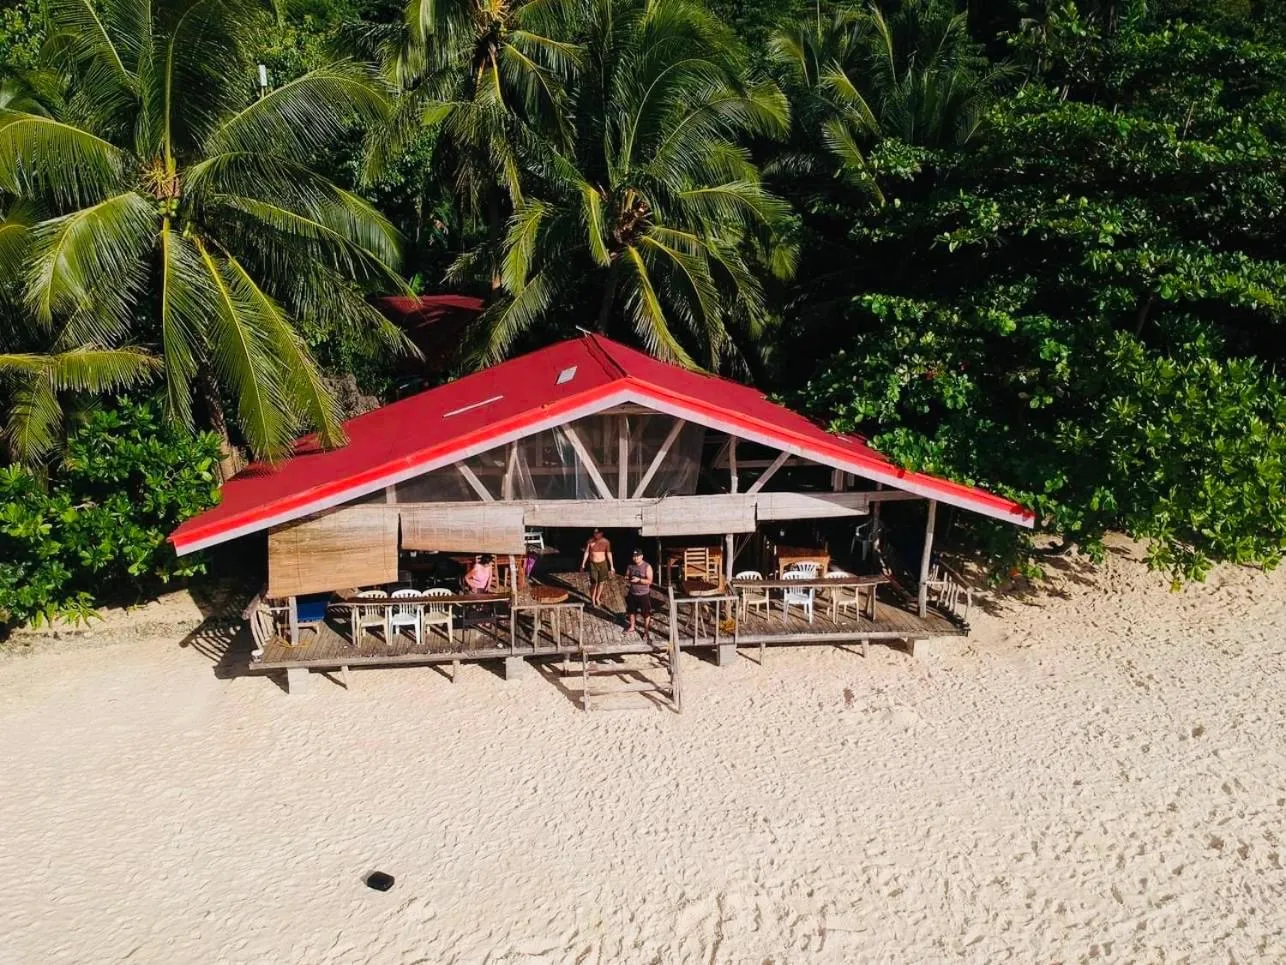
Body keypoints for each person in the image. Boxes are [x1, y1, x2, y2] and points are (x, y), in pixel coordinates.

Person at [624, 548, 654, 639]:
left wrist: (639, 580)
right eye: (634, 556)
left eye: (637, 556)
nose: (635, 558)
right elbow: (627, 575)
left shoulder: (647, 566)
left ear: (641, 556)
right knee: (631, 611)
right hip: (633, 592)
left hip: (644, 594)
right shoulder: (630, 566)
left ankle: (646, 631)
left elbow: (650, 581)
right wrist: (627, 578)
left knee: (646, 613)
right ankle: (632, 627)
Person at [581, 528, 614, 608]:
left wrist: (612, 566)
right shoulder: (590, 541)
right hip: (593, 564)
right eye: (594, 533)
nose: (595, 535)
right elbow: (587, 552)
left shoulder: (606, 542)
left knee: (601, 582)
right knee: (594, 583)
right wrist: (583, 564)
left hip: (603, 564)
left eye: (597, 533)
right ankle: (592, 601)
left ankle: (597, 598)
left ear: (601, 533)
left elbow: (609, 553)